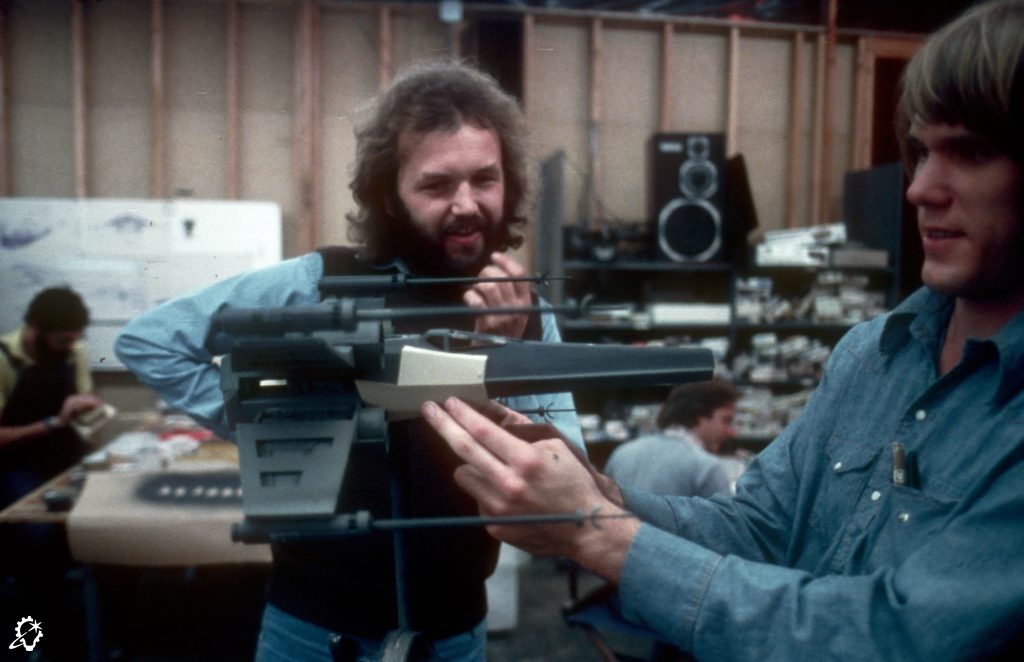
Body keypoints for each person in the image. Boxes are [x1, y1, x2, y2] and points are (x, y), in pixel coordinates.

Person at [419, 1, 1024, 658]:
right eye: (921, 152)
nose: (920, 188)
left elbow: (891, 638)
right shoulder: (872, 354)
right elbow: (758, 527)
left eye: (970, 153)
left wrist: (597, 532)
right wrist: (595, 493)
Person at [114, 60, 582, 661]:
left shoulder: (523, 309)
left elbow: (567, 482)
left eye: (485, 180)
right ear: (388, 196)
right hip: (311, 633)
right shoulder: (319, 283)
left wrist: (507, 357)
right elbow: (152, 340)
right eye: (437, 186)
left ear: (508, 184)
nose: (466, 205)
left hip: (454, 634)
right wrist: (266, 422)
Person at [1, 286, 102, 510]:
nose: (70, 347)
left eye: (75, 339)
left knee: (97, 512)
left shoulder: (75, 350)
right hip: (18, 462)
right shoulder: (4, 358)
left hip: (64, 453)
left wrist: (89, 408)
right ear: (34, 330)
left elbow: (84, 402)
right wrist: (54, 423)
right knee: (37, 524)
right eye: (62, 341)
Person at [605, 380, 737, 498]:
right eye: (726, 420)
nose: (732, 432)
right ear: (700, 416)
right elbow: (726, 518)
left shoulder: (622, 454)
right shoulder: (706, 467)